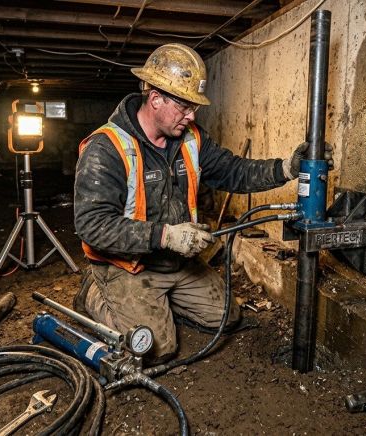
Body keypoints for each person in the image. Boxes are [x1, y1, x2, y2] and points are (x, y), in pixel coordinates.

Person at [73, 43, 322, 363]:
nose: (192, 115)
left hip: (177, 262)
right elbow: (92, 225)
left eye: (194, 107)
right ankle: (95, 291)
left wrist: (286, 169)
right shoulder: (106, 148)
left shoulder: (191, 137)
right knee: (157, 348)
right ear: (156, 98)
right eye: (185, 106)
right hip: (129, 267)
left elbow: (233, 171)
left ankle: (160, 302)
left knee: (227, 317)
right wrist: (166, 236)